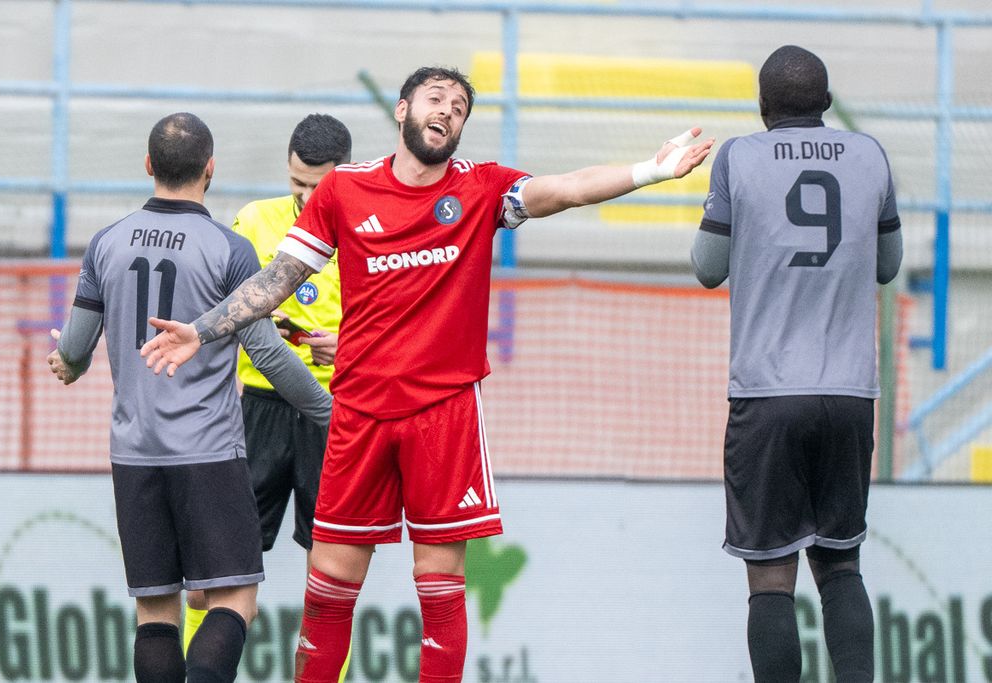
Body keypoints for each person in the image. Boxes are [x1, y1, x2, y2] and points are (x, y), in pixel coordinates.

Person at [140, 66, 713, 683]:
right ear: (403, 109)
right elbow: (277, 280)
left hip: (444, 415)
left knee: (440, 591)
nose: (446, 111)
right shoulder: (344, 190)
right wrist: (203, 330)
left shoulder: (481, 189)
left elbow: (567, 188)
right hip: (357, 414)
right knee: (328, 592)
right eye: (435, 99)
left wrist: (650, 170)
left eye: (459, 107)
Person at [46, 112, 332, 683]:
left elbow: (75, 348)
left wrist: (68, 363)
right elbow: (269, 356)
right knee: (234, 599)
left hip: (134, 454)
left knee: (155, 613)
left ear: (148, 165)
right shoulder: (230, 249)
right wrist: (331, 412)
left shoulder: (106, 243)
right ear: (210, 169)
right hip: (208, 452)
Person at [691, 46, 902, 681]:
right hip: (849, 394)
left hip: (767, 395)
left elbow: (707, 268)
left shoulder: (739, 156)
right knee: (841, 568)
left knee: (770, 580)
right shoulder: (870, 155)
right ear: (827, 103)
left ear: (763, 107)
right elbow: (888, 266)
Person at [182, 113, 352, 683]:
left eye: (317, 186)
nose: (304, 196)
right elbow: (216, 302)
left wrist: (348, 345)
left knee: (330, 581)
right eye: (296, 181)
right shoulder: (255, 220)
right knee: (211, 581)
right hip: (256, 407)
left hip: (334, 412)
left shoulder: (372, 232)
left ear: (343, 175)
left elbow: (401, 323)